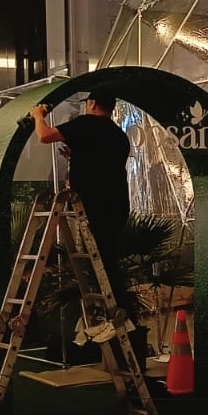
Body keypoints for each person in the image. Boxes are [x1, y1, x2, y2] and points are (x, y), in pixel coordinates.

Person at [30, 90, 133, 321]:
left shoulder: (86, 123)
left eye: (87, 103)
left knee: (103, 261)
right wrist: (76, 158)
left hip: (94, 203)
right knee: (108, 257)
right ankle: (119, 310)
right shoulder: (118, 135)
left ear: (93, 103)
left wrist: (38, 116)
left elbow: (44, 136)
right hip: (117, 203)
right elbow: (102, 162)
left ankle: (118, 314)